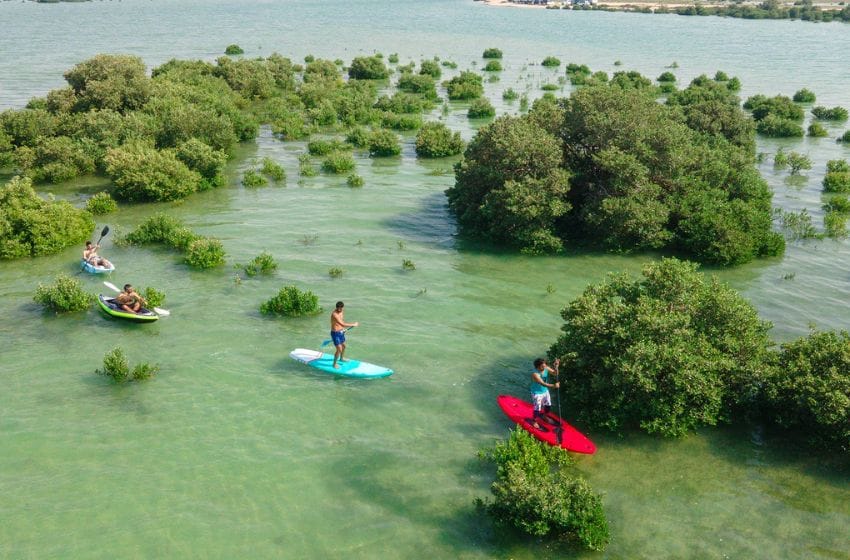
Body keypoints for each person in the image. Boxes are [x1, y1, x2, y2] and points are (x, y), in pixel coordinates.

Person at [530, 357, 560, 430]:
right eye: (542, 366)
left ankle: (544, 416)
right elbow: (542, 383)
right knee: (537, 408)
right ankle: (534, 421)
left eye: (544, 365)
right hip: (536, 392)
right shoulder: (535, 373)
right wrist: (554, 386)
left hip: (545, 391)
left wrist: (556, 367)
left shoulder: (546, 368)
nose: (544, 367)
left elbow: (555, 373)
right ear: (537, 366)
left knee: (548, 405)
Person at [330, 301, 359, 369]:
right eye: (338, 308)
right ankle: (334, 364)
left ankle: (341, 358)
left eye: (341, 308)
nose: (339, 309)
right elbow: (342, 324)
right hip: (335, 333)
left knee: (344, 346)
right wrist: (353, 324)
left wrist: (342, 330)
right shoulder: (334, 314)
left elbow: (342, 322)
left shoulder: (341, 312)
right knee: (339, 349)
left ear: (342, 307)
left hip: (341, 332)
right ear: (336, 307)